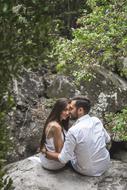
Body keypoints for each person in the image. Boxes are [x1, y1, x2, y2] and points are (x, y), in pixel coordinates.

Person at [45, 96, 111, 176]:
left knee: (69, 154)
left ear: (80, 110)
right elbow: (107, 139)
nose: (69, 112)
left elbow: (63, 159)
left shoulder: (74, 131)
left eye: (71, 108)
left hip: (88, 171)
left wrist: (47, 153)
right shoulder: (96, 120)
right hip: (105, 164)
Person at [39, 98, 70, 170]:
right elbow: (59, 152)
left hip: (46, 158)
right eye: (65, 110)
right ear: (58, 110)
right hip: (53, 163)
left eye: (69, 110)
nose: (68, 113)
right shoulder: (56, 127)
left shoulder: (55, 122)